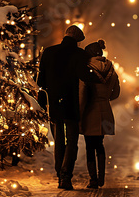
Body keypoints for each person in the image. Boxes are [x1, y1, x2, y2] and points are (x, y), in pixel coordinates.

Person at [37, 25, 98, 190]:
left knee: (58, 141)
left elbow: (40, 81)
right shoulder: (80, 55)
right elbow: (85, 77)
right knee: (72, 141)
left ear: (65, 36)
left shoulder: (49, 52)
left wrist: (42, 103)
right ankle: (66, 175)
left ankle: (59, 174)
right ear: (77, 40)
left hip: (54, 104)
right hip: (71, 104)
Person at [79, 39, 120, 189]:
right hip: (105, 110)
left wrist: (80, 113)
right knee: (100, 144)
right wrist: (105, 98)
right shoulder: (111, 68)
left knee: (90, 146)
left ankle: (93, 179)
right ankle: (102, 177)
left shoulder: (86, 69)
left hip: (90, 111)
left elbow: (82, 94)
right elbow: (116, 93)